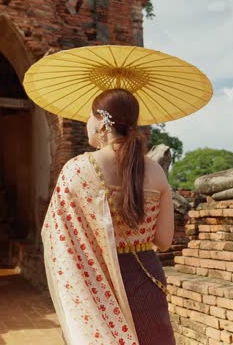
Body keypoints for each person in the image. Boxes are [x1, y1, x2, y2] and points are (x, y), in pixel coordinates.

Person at [41, 88, 176, 345]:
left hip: (98, 282)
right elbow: (164, 240)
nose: (87, 123)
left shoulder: (78, 169)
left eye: (89, 116)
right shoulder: (156, 171)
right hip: (147, 278)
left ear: (102, 122)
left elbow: (57, 238)